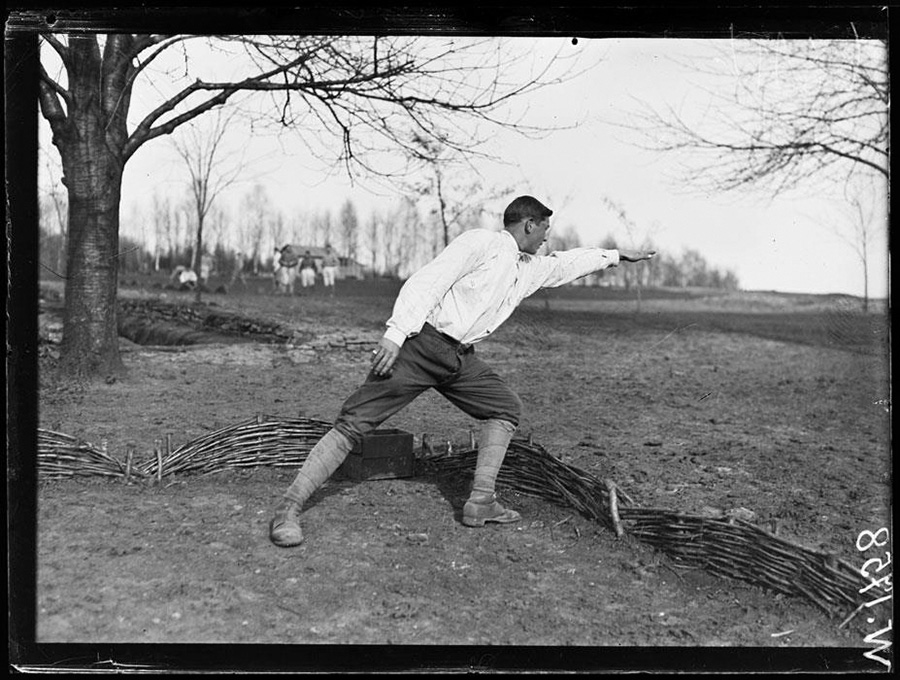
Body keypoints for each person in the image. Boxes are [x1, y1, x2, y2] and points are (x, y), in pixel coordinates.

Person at [269, 195, 655, 547]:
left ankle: (481, 501)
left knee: (505, 407)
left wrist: (617, 255)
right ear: (529, 225)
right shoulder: (481, 243)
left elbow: (565, 264)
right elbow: (428, 281)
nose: (546, 241)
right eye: (544, 232)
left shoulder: (526, 269)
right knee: (353, 423)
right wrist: (395, 333)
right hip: (420, 347)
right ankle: (288, 508)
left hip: (458, 359)